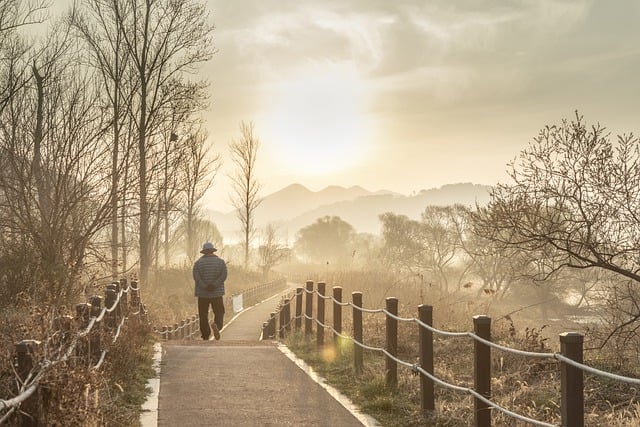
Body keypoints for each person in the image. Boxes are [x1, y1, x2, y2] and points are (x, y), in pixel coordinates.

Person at [192, 242, 227, 340]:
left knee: (203, 314)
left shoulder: (198, 263)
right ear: (212, 251)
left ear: (204, 252)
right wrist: (214, 285)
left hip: (202, 294)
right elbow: (223, 276)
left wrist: (205, 286)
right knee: (219, 311)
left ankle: (205, 335)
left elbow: (196, 278)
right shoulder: (221, 262)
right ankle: (217, 325)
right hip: (217, 293)